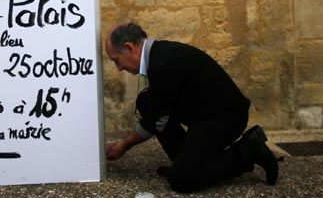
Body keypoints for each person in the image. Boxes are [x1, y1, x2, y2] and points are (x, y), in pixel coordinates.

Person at [105, 22, 278, 193]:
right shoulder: (159, 55)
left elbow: (156, 121)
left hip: (225, 119)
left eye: (116, 60)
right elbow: (158, 109)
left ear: (129, 48)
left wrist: (123, 145)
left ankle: (248, 150)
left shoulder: (162, 64)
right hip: (206, 116)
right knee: (146, 101)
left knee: (182, 181)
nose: (119, 68)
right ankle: (184, 163)